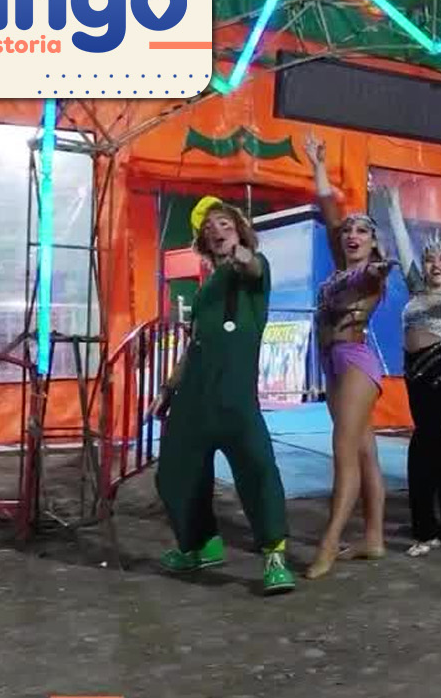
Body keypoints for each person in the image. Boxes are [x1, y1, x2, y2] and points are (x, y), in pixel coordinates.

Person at [149, 196, 295, 596]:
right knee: (175, 472)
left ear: (240, 232)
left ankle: (274, 557)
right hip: (193, 396)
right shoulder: (204, 292)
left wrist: (240, 253)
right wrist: (168, 388)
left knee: (257, 467)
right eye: (209, 227)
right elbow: (194, 344)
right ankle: (200, 544)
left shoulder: (253, 270)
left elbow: (252, 264)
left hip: (234, 396)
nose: (216, 230)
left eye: (224, 224)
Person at [304, 134, 395, 578]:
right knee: (364, 453)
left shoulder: (369, 274)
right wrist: (318, 166)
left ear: (374, 242)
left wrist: (379, 267)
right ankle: (373, 538)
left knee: (343, 451)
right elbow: (329, 210)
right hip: (333, 363)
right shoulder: (342, 268)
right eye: (348, 231)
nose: (352, 235)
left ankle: (329, 541)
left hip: (356, 360)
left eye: (362, 231)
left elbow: (373, 276)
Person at [383, 185, 441, 558]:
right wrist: (394, 209)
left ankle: (428, 530)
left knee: (422, 452)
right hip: (415, 378)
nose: (435, 265)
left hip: (439, 378)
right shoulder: (416, 288)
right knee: (440, 451)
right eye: (430, 259)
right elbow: (405, 249)